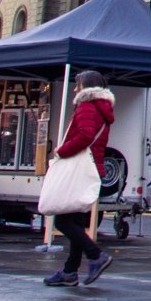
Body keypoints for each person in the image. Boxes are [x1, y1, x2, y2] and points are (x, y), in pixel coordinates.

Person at [43, 70, 115, 287]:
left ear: (86, 87)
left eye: (78, 85)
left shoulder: (87, 106)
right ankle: (70, 271)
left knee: (63, 220)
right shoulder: (103, 108)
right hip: (92, 168)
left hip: (79, 170)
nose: (75, 89)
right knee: (75, 221)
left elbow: (84, 136)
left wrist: (61, 150)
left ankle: (96, 255)